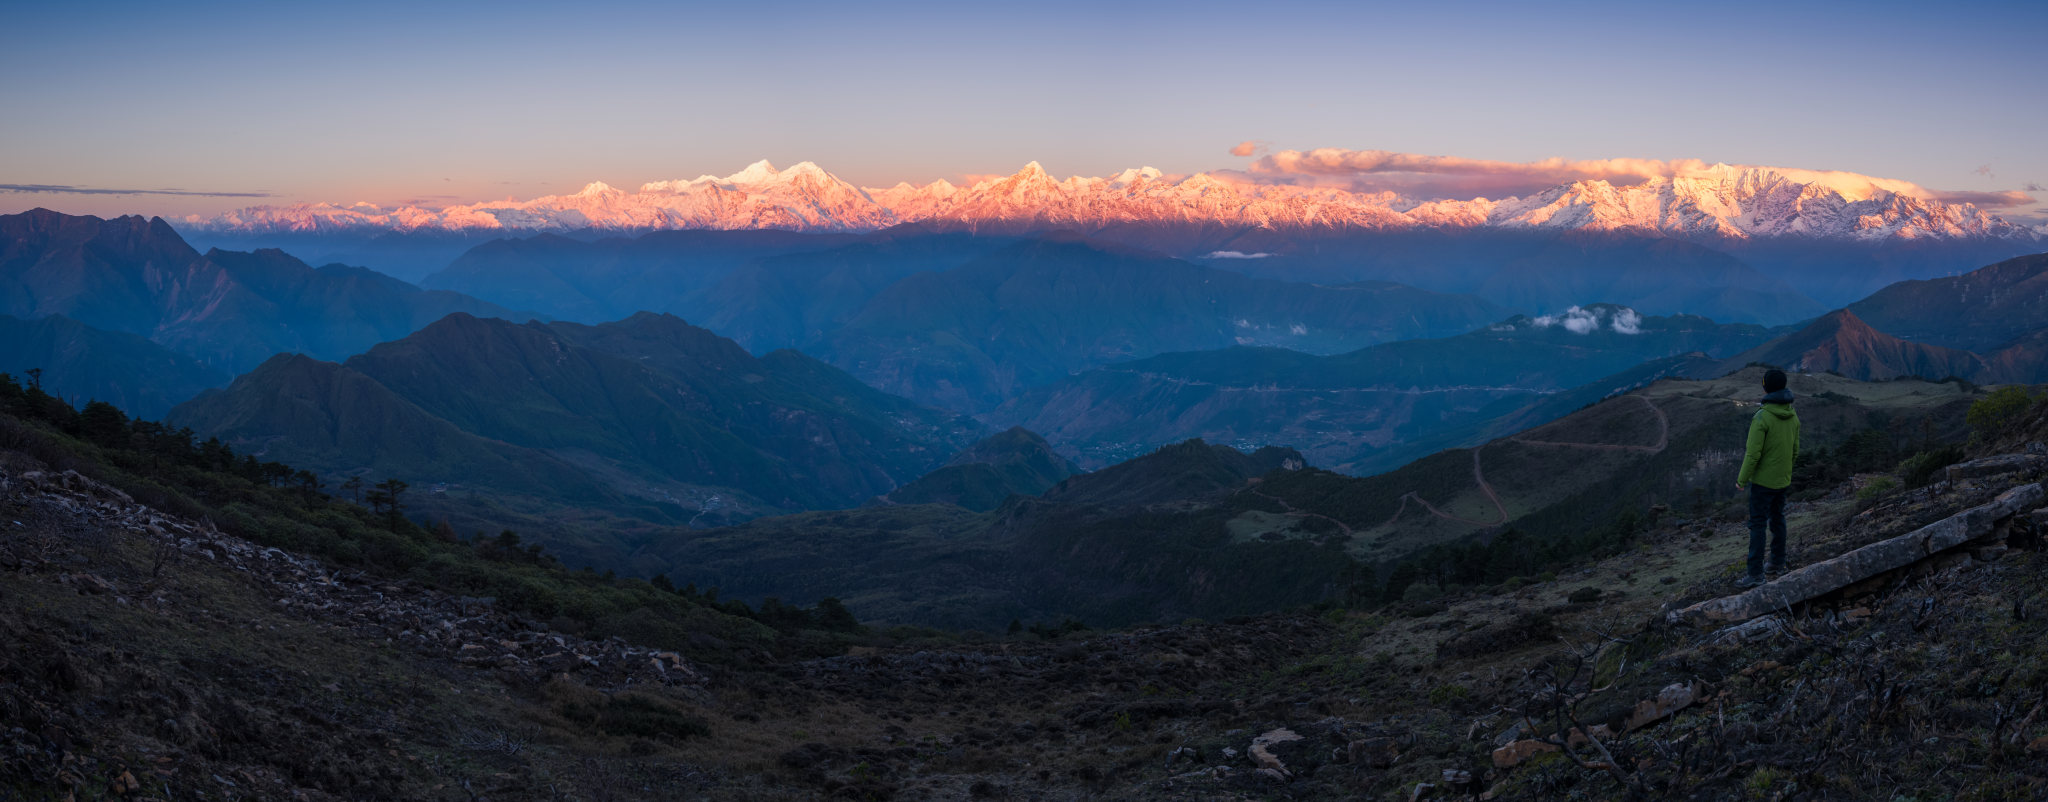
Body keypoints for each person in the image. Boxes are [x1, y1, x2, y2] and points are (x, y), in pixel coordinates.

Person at [1735, 369, 1800, 587]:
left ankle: (1755, 574)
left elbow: (1753, 454)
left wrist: (1742, 480)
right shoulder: (1792, 415)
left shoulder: (1762, 417)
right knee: (1778, 519)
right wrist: (1785, 471)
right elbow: (1795, 450)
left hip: (1763, 482)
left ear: (1765, 388)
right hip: (1783, 479)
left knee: (1757, 525)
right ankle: (1777, 563)